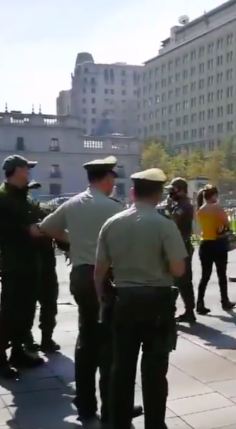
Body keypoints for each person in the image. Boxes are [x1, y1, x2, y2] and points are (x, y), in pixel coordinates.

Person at [40, 156, 143, 423]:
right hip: (105, 277)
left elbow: (47, 228)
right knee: (110, 342)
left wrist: (72, 241)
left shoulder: (72, 204)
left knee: (86, 339)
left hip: (80, 276)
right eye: (113, 180)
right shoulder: (112, 208)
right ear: (107, 178)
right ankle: (113, 406)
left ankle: (85, 404)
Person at [95, 168, 186, 429]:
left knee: (121, 367)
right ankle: (155, 424)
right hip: (157, 302)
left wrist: (104, 300)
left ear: (133, 192)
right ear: (158, 195)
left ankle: (119, 422)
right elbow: (179, 269)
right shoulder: (164, 225)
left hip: (123, 300)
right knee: (155, 370)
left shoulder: (112, 223)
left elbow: (99, 271)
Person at [0, 155, 45, 379]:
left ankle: (18, 352)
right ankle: (0, 359)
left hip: (30, 262)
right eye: (25, 168)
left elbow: (37, 216)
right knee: (9, 311)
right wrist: (24, 231)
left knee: (27, 310)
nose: (28, 172)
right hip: (13, 264)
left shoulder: (24, 197)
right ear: (15, 170)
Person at [25, 188, 63, 354]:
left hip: (43, 264)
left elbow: (57, 233)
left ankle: (41, 339)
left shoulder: (44, 211)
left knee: (46, 304)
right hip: (30, 265)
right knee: (33, 305)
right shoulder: (23, 215)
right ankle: (33, 339)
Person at [196, 184, 236, 314]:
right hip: (217, 244)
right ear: (214, 195)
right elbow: (226, 223)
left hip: (205, 244)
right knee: (221, 274)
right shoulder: (217, 208)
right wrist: (229, 215)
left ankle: (200, 302)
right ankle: (225, 301)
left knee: (205, 276)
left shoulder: (200, 210)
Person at [165, 177, 197, 324]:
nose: (171, 194)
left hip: (182, 246)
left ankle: (189, 311)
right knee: (178, 280)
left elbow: (174, 221)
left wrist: (169, 208)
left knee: (182, 280)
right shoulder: (179, 204)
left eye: (174, 190)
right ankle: (186, 310)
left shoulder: (184, 205)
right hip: (178, 245)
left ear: (181, 190)